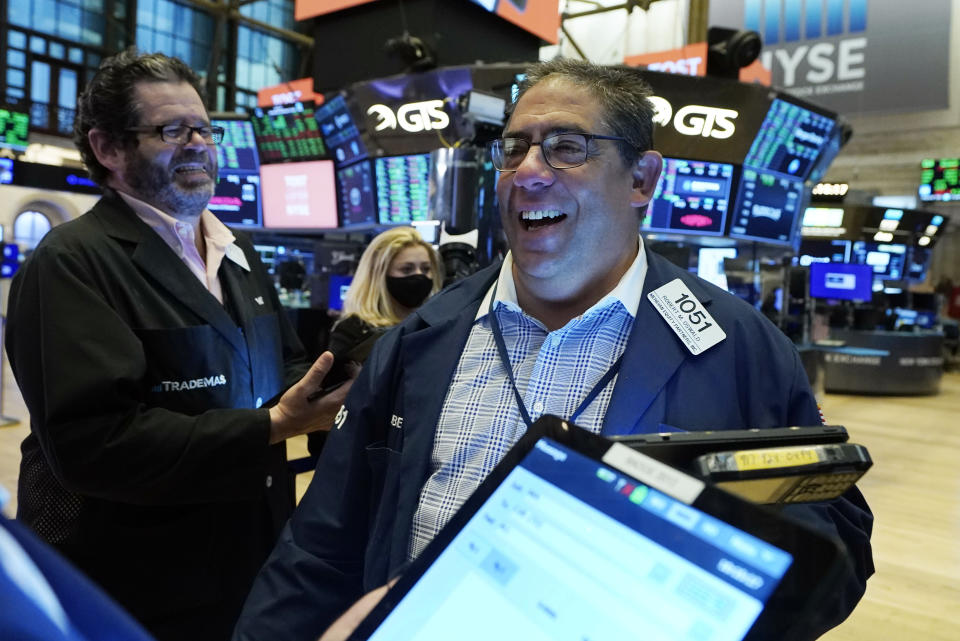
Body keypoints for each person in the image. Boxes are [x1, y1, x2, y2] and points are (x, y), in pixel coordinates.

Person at [234, 59, 874, 641]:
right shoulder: (421, 338)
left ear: (642, 178)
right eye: (515, 150)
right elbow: (320, 547)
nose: (529, 174)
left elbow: (836, 538)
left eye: (567, 148)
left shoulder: (735, 345)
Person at [5, 49, 351, 641]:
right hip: (138, 582)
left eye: (204, 129)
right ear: (108, 149)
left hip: (245, 559)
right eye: (171, 130)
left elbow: (283, 364)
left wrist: (356, 367)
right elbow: (95, 443)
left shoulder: (233, 251)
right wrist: (269, 426)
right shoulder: (72, 263)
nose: (198, 144)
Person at [308, 226, 441, 456]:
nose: (419, 276)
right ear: (380, 275)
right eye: (407, 269)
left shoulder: (436, 326)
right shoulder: (353, 334)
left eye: (426, 269)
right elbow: (324, 424)